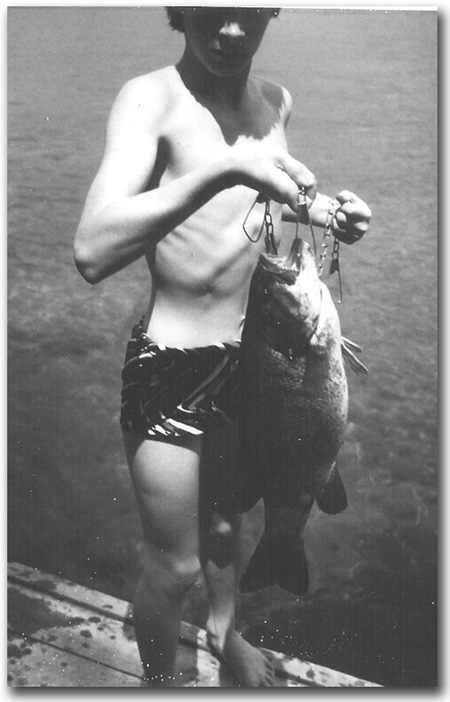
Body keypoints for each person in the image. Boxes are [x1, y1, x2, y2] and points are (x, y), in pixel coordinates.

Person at [74, 6, 371, 687]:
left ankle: (224, 633)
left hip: (253, 364)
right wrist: (227, 169)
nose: (231, 31)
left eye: (248, 12)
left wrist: (327, 214)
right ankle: (161, 684)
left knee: (228, 530)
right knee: (173, 565)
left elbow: (254, 215)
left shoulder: (274, 102)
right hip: (170, 369)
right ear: (178, 10)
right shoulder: (151, 100)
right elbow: (91, 249)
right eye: (212, 10)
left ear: (272, 10)